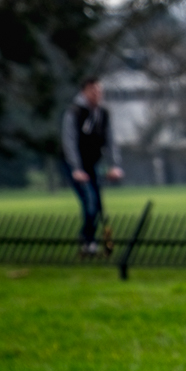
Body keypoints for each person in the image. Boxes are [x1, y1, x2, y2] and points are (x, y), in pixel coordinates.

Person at [61, 77, 123, 257]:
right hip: (74, 165)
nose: (97, 95)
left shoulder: (103, 113)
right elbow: (69, 142)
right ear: (84, 92)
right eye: (93, 91)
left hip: (92, 164)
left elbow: (110, 141)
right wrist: (76, 169)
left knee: (98, 204)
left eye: (99, 91)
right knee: (89, 202)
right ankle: (87, 240)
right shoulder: (74, 113)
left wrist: (114, 165)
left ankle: (92, 241)